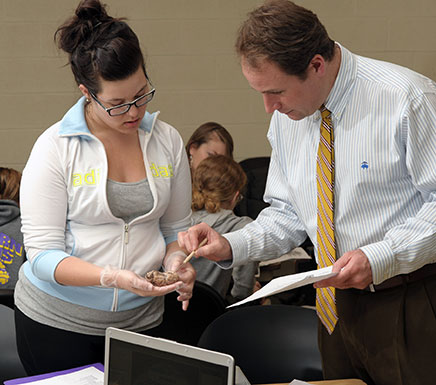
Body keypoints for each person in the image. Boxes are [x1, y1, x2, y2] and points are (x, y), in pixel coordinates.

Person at [178, 1, 436, 384]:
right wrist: (231, 244)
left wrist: (380, 255)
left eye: (276, 91)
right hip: (334, 306)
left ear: (317, 65)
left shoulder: (406, 99)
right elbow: (288, 215)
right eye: (261, 93)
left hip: (408, 300)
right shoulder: (289, 118)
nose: (269, 108)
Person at [14, 0, 195, 375]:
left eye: (142, 94)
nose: (134, 112)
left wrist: (177, 263)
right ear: (86, 92)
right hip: (57, 322)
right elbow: (43, 256)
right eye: (117, 104)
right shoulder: (55, 148)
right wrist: (110, 276)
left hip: (140, 323)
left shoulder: (167, 141)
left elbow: (175, 230)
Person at [190, 154, 259, 303]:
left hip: (165, 312)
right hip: (210, 314)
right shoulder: (242, 227)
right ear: (235, 197)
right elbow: (242, 292)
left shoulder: (176, 220)